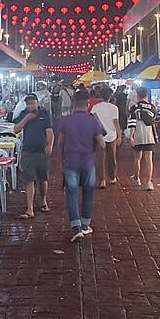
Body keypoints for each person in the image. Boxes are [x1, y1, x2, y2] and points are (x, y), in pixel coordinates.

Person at [57, 91, 105, 242]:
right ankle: (85, 225)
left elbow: (60, 143)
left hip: (71, 161)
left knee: (71, 193)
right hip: (88, 161)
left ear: (73, 104)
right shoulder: (93, 121)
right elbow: (102, 144)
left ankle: (76, 227)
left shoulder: (66, 120)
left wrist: (61, 158)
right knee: (88, 193)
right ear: (87, 104)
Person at [12, 94, 54, 218]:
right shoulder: (23, 114)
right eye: (28, 103)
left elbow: (49, 131)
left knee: (43, 179)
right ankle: (30, 208)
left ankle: (43, 200)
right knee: (29, 179)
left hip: (42, 150)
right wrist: (27, 119)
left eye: (33, 103)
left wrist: (50, 144)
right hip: (28, 151)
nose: (31, 105)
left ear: (37, 102)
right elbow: (16, 129)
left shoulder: (44, 114)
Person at [91, 87, 121, 188]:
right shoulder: (114, 108)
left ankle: (102, 180)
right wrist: (120, 135)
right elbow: (116, 122)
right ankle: (112, 177)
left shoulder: (95, 107)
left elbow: (93, 122)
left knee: (100, 159)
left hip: (99, 136)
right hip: (111, 135)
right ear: (110, 96)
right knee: (111, 157)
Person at [129, 87, 157, 191]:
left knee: (137, 158)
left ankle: (136, 178)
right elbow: (153, 119)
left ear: (137, 95)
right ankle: (148, 182)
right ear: (146, 95)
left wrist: (131, 136)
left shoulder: (134, 107)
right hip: (149, 135)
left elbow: (132, 123)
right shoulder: (152, 107)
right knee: (149, 159)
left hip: (138, 135)